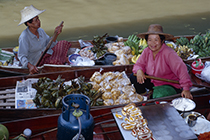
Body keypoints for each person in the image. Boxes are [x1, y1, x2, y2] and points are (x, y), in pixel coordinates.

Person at [130, 24, 193, 99]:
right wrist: (139, 70)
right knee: (134, 76)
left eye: (156, 40)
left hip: (168, 84)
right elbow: (139, 64)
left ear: (162, 41)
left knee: (158, 96)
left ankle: (154, 95)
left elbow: (181, 69)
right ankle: (144, 94)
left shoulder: (169, 53)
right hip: (153, 80)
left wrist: (186, 89)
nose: (152, 43)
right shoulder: (147, 51)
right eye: (150, 40)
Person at [17, 5, 71, 74]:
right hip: (36, 62)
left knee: (63, 43)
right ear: (29, 23)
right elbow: (21, 56)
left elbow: (49, 44)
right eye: (36, 20)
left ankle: (64, 58)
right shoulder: (24, 37)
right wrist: (30, 66)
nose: (39, 21)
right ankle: (64, 59)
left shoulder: (40, 31)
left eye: (38, 19)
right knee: (56, 61)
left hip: (44, 54)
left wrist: (56, 34)